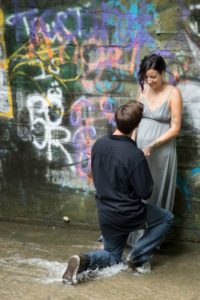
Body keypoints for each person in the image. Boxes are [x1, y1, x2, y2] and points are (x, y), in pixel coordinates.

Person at [62, 101, 174, 285]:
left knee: (112, 256)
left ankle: (83, 260)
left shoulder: (99, 145)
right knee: (166, 218)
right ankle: (137, 257)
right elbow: (144, 192)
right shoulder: (134, 155)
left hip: (106, 213)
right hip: (129, 213)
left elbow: (95, 175)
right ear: (137, 125)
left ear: (116, 121)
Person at [127, 53, 182, 246]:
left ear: (162, 73)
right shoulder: (142, 88)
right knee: (137, 192)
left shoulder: (173, 93)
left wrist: (153, 144)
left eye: (153, 77)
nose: (149, 81)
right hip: (140, 149)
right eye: (146, 76)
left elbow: (175, 128)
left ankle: (149, 243)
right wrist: (131, 145)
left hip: (162, 152)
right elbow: (134, 120)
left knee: (155, 192)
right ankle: (134, 239)